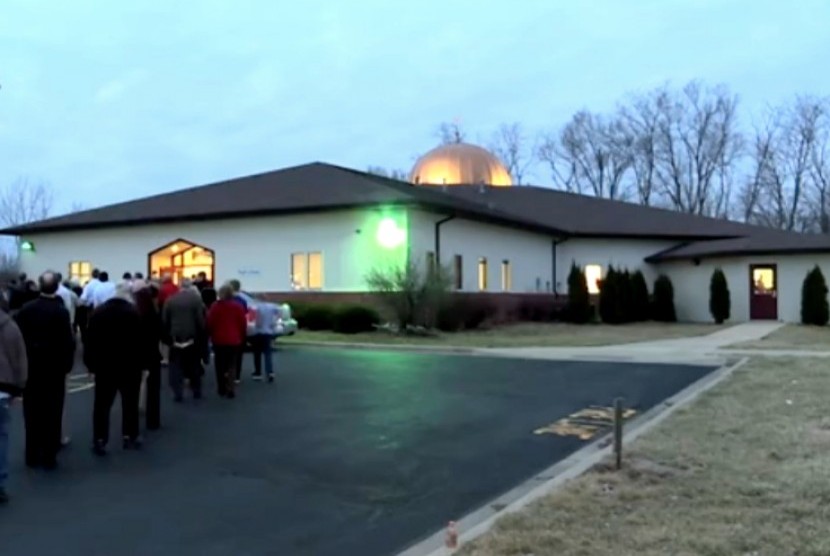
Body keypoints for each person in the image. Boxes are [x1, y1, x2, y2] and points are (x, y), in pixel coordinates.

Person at [14, 271, 75, 470]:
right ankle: (49, 455)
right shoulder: (60, 312)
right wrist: (67, 366)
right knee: (53, 412)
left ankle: (31, 454)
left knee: (31, 413)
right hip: (54, 369)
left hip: (31, 367)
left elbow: (19, 339)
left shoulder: (26, 310)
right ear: (56, 287)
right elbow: (68, 342)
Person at [84, 283, 144, 455]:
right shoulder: (133, 313)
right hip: (129, 365)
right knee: (130, 403)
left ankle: (100, 439)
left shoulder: (99, 313)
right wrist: (143, 364)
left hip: (105, 366)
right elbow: (140, 342)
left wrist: (90, 365)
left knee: (102, 405)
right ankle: (130, 435)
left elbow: (90, 341)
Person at [162, 280, 206, 402]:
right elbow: (200, 320)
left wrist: (167, 336)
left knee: (175, 366)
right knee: (194, 365)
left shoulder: (170, 300)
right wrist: (202, 334)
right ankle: (196, 390)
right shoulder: (196, 300)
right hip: (191, 337)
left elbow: (165, 319)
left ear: (180, 287)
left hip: (175, 337)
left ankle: (178, 392)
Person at [0, 305, 27, 504]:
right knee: (1, 435)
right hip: (2, 386)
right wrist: (19, 387)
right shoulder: (9, 327)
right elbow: (19, 359)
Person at [207, 285, 247, 399]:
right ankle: (231, 387)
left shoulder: (215, 307)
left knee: (219, 364)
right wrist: (241, 335)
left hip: (219, 339)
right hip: (234, 339)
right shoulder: (238, 307)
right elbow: (242, 323)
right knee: (232, 364)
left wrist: (210, 334)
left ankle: (221, 387)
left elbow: (210, 322)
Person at [55, 272, 79, 448]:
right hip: (57, 363)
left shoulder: (27, 311)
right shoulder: (67, 297)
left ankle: (34, 445)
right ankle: (58, 435)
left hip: (35, 365)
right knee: (57, 401)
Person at [134, 286, 162, 430]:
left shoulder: (133, 315)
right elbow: (161, 333)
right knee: (153, 389)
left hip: (135, 355)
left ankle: (132, 422)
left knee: (132, 387)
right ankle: (153, 420)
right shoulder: (154, 315)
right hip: (151, 354)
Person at [251, 302, 279, 383]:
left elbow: (258, 321)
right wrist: (273, 323)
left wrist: (256, 325)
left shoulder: (257, 307)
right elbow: (279, 312)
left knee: (257, 353)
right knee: (268, 353)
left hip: (259, 332)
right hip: (268, 332)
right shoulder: (272, 306)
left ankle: (258, 373)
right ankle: (270, 372)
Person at [227, 279, 248, 384]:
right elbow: (244, 316)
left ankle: (227, 373)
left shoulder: (225, 301)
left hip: (227, 331)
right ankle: (236, 376)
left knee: (226, 354)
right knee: (238, 355)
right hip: (238, 331)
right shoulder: (242, 301)